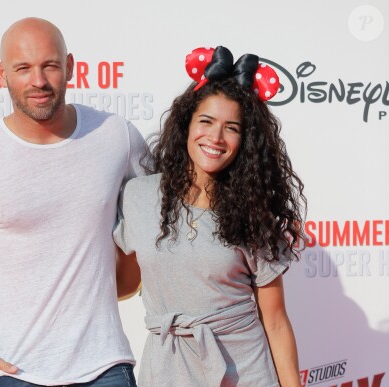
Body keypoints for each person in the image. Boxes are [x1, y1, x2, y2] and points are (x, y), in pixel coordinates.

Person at [0, 17, 145, 387]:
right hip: (11, 371)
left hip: (105, 365)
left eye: (49, 65)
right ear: (0, 74)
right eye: (23, 68)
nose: (39, 81)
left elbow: (167, 214)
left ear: (71, 67)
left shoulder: (117, 136)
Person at [114, 46, 306, 386]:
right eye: (206, 121)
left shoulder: (254, 210)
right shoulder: (139, 196)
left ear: (245, 140)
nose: (215, 138)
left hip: (244, 371)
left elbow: (275, 321)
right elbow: (123, 283)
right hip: (168, 370)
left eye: (232, 128)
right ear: (187, 123)